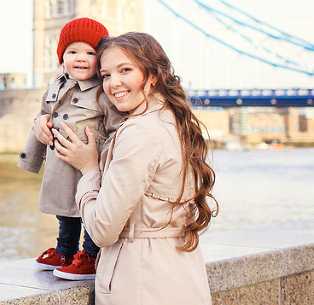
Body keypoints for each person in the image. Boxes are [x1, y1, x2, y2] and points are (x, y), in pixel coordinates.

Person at [53, 32, 217, 304]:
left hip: (141, 281)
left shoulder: (140, 132)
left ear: (153, 75)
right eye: (105, 75)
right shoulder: (171, 119)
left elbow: (102, 230)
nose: (113, 83)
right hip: (178, 275)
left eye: (125, 70)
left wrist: (89, 170)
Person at [17, 17, 125, 280]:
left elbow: (116, 129)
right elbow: (44, 114)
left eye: (90, 52)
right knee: (64, 210)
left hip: (90, 164)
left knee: (89, 210)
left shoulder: (103, 91)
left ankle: (90, 254)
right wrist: (38, 125)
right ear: (61, 58)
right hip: (60, 162)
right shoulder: (55, 85)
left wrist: (107, 161)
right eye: (73, 51)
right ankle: (65, 250)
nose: (81, 58)